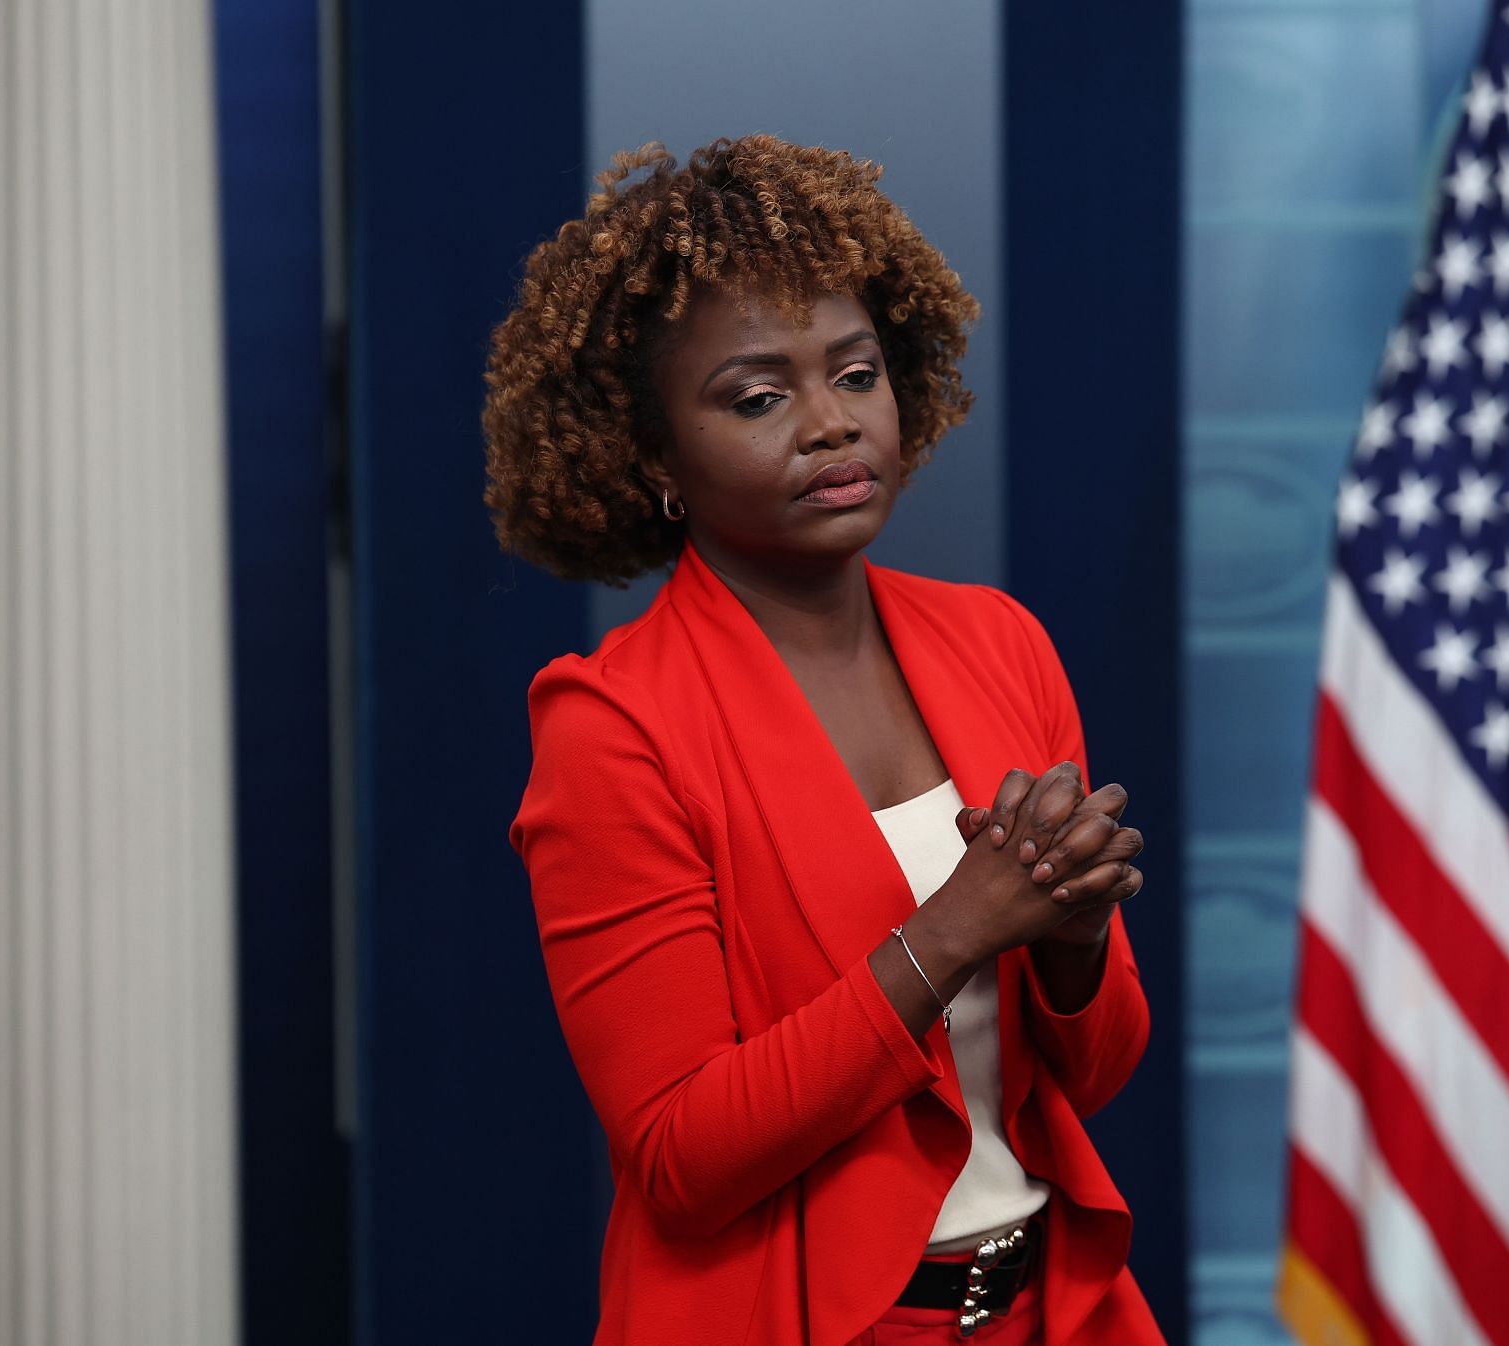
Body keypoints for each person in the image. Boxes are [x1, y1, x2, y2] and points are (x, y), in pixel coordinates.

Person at [488, 135, 1164, 1346]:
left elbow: (1095, 1071)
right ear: (655, 459)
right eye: (758, 398)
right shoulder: (615, 723)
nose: (830, 424)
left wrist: (1075, 933)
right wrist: (957, 927)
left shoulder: (998, 641)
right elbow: (684, 1154)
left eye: (855, 375)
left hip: (1049, 1307)